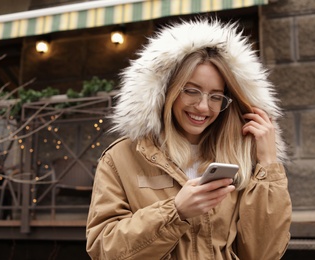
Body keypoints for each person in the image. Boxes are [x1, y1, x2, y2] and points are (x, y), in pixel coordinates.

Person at [86, 18, 292, 260]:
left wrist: (268, 163)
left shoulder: (241, 159)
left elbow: (262, 254)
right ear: (166, 91)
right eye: (191, 90)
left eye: (216, 96)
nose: (203, 107)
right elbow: (103, 249)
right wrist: (175, 212)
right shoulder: (120, 158)